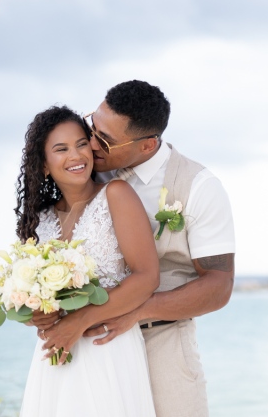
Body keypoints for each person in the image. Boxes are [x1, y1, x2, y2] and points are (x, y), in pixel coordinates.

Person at [37, 80, 236, 417]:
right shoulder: (83, 170)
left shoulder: (198, 187)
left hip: (163, 343)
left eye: (106, 141)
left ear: (147, 146)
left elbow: (219, 286)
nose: (92, 145)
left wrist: (137, 311)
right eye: (92, 127)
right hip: (91, 352)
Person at [16, 105, 160, 417]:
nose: (77, 155)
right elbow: (29, 296)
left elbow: (147, 277)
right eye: (61, 149)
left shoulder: (116, 195)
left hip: (107, 350)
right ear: (43, 164)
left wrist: (79, 321)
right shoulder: (38, 221)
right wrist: (34, 316)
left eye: (82, 143)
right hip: (55, 356)